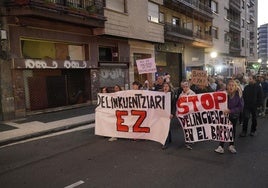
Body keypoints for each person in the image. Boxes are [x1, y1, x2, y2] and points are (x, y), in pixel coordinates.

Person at [214, 79, 243, 154]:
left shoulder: (238, 95)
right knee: (223, 129)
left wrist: (230, 111)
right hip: (224, 115)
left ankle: (231, 145)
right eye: (229, 85)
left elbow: (240, 107)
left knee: (232, 130)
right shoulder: (223, 93)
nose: (231, 87)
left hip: (233, 116)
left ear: (235, 87)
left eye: (232, 85)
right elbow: (214, 97)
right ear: (227, 86)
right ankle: (221, 146)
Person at [178, 80, 196, 150]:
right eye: (184, 87)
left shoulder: (192, 93)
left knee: (190, 127)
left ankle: (190, 140)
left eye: (186, 86)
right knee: (185, 128)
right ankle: (188, 140)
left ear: (189, 86)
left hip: (190, 114)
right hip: (183, 114)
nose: (185, 88)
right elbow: (179, 103)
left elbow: (194, 103)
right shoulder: (181, 94)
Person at [161, 82, 176, 149]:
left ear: (169, 87)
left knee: (165, 127)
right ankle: (169, 139)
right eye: (164, 86)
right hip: (162, 114)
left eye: (167, 86)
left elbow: (174, 106)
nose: (165, 87)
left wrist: (172, 113)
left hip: (168, 114)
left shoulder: (172, 95)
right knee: (166, 127)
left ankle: (165, 142)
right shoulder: (161, 95)